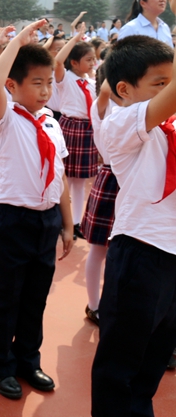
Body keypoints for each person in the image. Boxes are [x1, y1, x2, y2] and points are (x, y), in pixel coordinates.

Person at [0, 20, 74, 400]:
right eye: (36, 83)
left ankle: (28, 359)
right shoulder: (4, 119)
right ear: (14, 86)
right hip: (13, 217)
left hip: (46, 218)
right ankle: (0, 364)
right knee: (6, 295)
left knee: (37, 295)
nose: (45, 90)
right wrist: (17, 41)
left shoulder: (51, 122)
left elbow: (62, 175)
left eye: (48, 83)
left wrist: (67, 225)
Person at [91, 31, 176, 417]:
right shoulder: (121, 123)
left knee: (152, 365)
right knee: (118, 369)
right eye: (161, 84)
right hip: (141, 252)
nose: (168, 91)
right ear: (124, 89)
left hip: (172, 257)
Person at [80, 65, 119, 325]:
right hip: (111, 177)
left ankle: (111, 305)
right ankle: (94, 305)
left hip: (131, 180)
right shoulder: (101, 105)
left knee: (119, 251)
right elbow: (106, 90)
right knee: (98, 248)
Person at [54, 19, 98, 239]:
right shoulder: (66, 79)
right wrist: (75, 37)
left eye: (94, 59)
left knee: (80, 181)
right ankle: (63, 220)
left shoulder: (91, 82)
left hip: (88, 129)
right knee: (64, 177)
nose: (93, 63)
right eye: (88, 60)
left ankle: (76, 221)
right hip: (71, 128)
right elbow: (57, 61)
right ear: (74, 62)